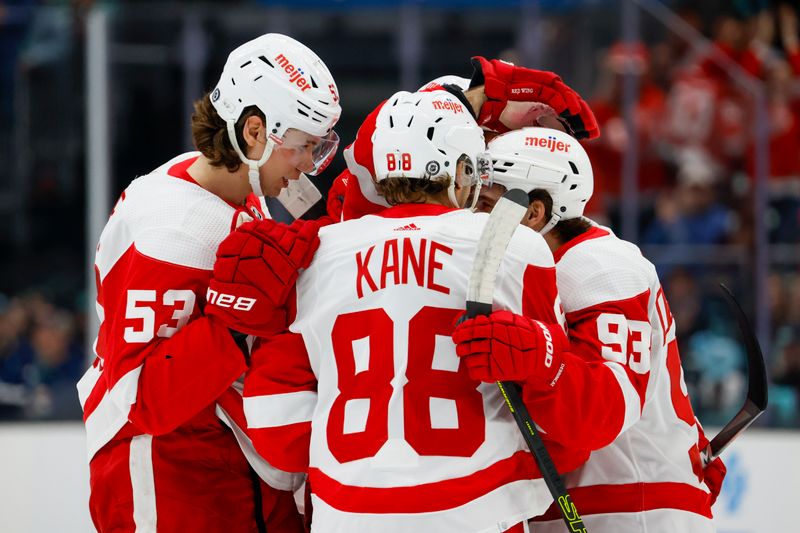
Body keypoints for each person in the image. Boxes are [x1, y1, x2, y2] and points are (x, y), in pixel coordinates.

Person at [236, 89, 586, 533]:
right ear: (461, 169)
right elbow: (560, 432)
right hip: (481, 513)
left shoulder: (315, 255)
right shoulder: (515, 245)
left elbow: (278, 429)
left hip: (349, 516)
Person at [76, 33, 340, 533]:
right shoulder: (171, 232)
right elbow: (141, 399)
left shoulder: (237, 187)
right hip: (165, 474)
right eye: (305, 147)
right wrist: (233, 326)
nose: (309, 165)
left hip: (229, 463)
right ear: (256, 131)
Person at [454, 126, 726, 531]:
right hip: (577, 506)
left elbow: (606, 410)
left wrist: (541, 360)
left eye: (488, 204)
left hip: (632, 506)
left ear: (534, 212)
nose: (475, 218)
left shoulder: (599, 265)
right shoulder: (523, 270)